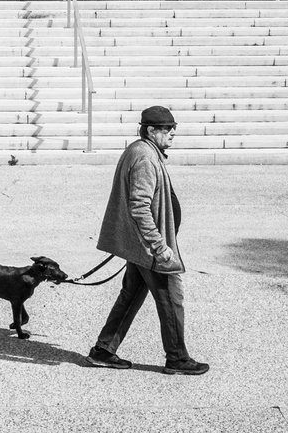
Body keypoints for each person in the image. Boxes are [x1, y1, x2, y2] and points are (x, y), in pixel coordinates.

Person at [86, 105, 209, 375]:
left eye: (173, 128)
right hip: (151, 248)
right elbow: (139, 206)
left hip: (140, 246)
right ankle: (177, 357)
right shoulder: (144, 158)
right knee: (171, 298)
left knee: (130, 296)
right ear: (151, 130)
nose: (172, 133)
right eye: (167, 129)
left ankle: (103, 349)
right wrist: (159, 246)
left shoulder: (143, 150)